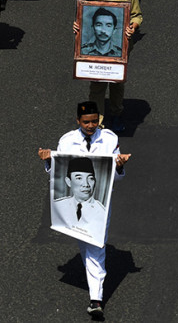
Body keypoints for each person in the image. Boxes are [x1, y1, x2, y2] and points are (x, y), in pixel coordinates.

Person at [37, 101, 131, 319]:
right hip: (71, 207)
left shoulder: (109, 139)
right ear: (78, 121)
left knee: (96, 245)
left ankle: (96, 300)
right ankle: (92, 278)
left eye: (94, 121)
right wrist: (48, 161)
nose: (91, 126)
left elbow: (113, 178)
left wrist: (119, 166)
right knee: (84, 241)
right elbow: (59, 173)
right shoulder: (67, 141)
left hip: (100, 204)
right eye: (86, 122)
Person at [76, 0, 142, 130]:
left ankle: (117, 113)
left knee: (116, 83)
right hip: (95, 49)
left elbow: (137, 15)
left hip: (122, 46)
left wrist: (133, 27)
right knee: (97, 83)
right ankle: (97, 122)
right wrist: (78, 25)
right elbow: (84, 14)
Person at [51, 155, 108, 234]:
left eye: (90, 178)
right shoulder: (58, 206)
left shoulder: (102, 212)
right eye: (79, 178)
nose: (86, 184)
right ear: (69, 182)